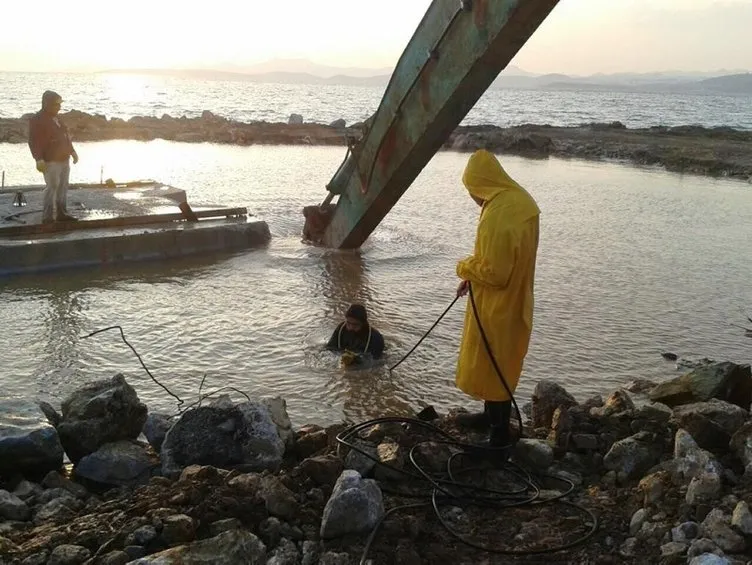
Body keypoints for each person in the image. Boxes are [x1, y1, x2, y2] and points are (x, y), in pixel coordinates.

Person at [454, 149, 540, 451]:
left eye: (471, 190)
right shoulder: (519, 200)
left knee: (494, 362)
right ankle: (490, 416)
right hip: (516, 297)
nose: (473, 198)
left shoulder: (498, 216)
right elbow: (506, 261)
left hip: (498, 305)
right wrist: (472, 279)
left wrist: (464, 267)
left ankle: (499, 438)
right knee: (498, 362)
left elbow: (496, 273)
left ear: (480, 184)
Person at [28, 90, 79, 223]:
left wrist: (72, 151)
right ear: (46, 104)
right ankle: (48, 217)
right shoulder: (37, 120)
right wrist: (38, 159)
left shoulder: (57, 118)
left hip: (64, 159)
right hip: (50, 160)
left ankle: (62, 213)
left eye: (59, 104)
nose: (59, 107)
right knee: (52, 187)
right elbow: (33, 142)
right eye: (56, 104)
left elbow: (65, 137)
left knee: (63, 186)